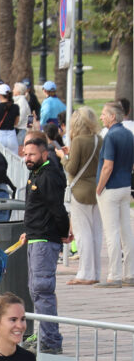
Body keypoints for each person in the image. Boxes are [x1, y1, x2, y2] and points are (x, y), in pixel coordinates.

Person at [19, 137, 70, 354]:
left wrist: (62, 232)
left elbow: (56, 208)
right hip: (36, 236)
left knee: (42, 290)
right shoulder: (38, 172)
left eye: (32, 155)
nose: (27, 159)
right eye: (25, 154)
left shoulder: (47, 175)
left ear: (44, 154)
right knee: (36, 290)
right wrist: (29, 232)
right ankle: (46, 334)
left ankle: (50, 340)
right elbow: (37, 208)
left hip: (45, 239)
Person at [95, 102, 134, 287]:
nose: (101, 117)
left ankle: (114, 275)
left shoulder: (111, 136)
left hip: (110, 188)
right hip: (125, 185)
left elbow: (107, 166)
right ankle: (130, 273)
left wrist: (99, 187)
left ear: (112, 117)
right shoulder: (128, 133)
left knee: (112, 232)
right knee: (126, 231)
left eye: (104, 114)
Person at [63, 108, 103, 285]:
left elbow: (72, 168)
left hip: (79, 190)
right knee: (96, 233)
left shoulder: (78, 141)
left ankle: (85, 273)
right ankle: (95, 272)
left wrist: (62, 157)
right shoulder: (99, 139)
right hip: (96, 189)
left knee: (82, 233)